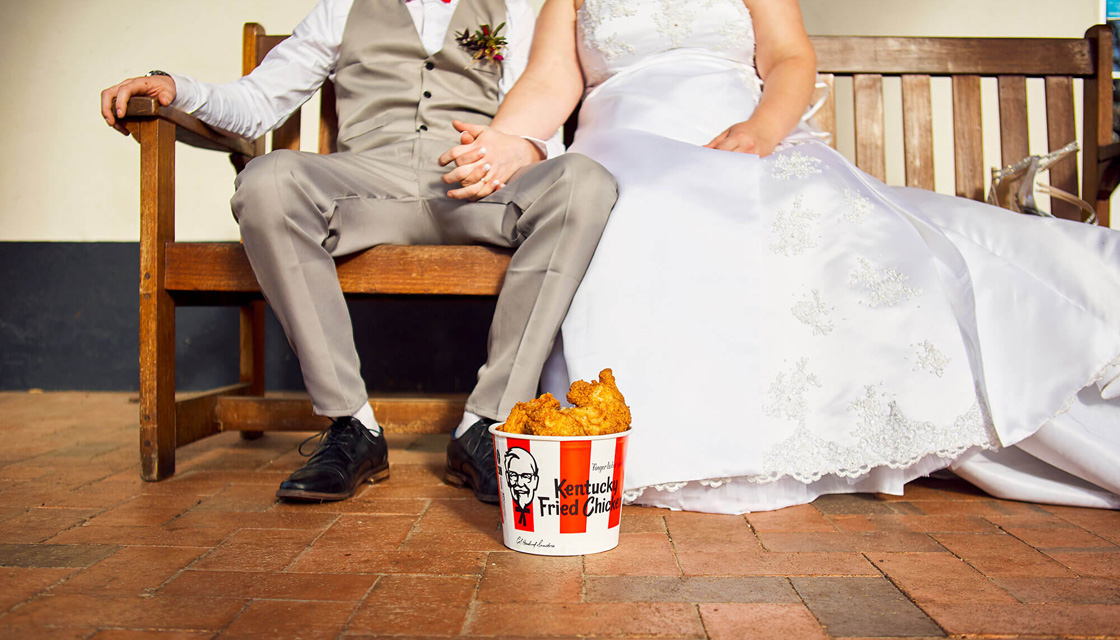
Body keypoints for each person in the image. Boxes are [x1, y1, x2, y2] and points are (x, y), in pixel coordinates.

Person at [438, 0, 1120, 513]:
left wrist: (762, 129)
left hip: (739, 136)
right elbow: (553, 76)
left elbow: (790, 57)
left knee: (852, 245)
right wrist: (504, 139)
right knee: (643, 207)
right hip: (623, 146)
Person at [100, 0, 618, 503]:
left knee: (584, 182)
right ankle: (352, 426)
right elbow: (258, 102)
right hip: (366, 186)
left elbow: (536, 123)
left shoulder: (512, 11)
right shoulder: (343, 7)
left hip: (471, 188)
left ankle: (487, 425)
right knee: (267, 181)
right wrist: (178, 90)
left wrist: (520, 148)